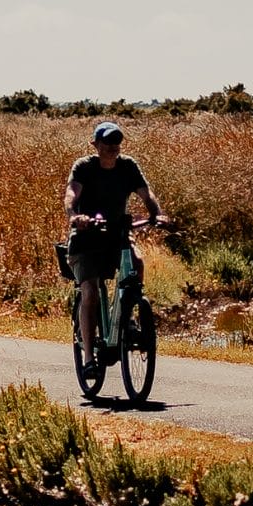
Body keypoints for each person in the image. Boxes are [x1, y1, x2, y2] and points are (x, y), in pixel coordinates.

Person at [64, 121, 162, 364]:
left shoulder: (128, 166)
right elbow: (71, 194)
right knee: (90, 290)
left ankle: (127, 316)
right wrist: (76, 216)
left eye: (117, 142)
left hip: (117, 234)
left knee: (137, 262)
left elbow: (146, 192)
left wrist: (156, 213)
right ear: (95, 144)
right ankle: (88, 357)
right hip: (87, 238)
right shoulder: (84, 167)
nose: (113, 147)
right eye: (107, 142)